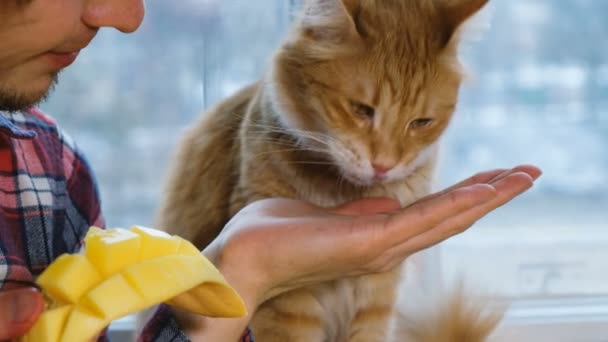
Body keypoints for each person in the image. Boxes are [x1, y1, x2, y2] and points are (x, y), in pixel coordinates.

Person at [0, 0, 542, 341]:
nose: (128, 15)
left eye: (420, 123)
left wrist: (243, 269)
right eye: (362, 112)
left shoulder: (53, 172)